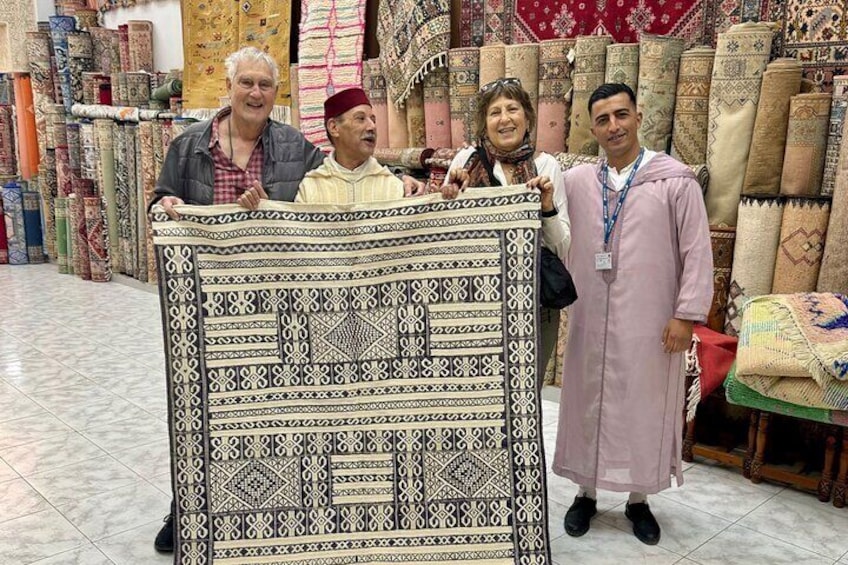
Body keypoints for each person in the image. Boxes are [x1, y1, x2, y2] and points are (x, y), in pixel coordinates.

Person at [151, 48, 423, 553]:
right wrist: (166, 206)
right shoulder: (188, 147)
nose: (256, 93)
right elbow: (161, 201)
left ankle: (269, 505)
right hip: (209, 298)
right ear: (228, 87)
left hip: (274, 301)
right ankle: (185, 505)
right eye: (247, 83)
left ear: (277, 96)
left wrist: (406, 184)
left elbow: (348, 176)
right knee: (200, 402)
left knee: (263, 407)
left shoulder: (294, 146)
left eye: (266, 86)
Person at [551, 83, 712, 545]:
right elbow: (552, 226)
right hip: (590, 317)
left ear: (639, 116)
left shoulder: (675, 181)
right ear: (593, 128)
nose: (613, 126)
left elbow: (697, 251)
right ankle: (586, 492)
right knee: (587, 402)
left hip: (651, 319)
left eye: (621, 115)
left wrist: (686, 314)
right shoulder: (579, 183)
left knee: (643, 405)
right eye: (602, 119)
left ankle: (639, 500)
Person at [441, 77, 571, 375]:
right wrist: (451, 198)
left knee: (527, 393)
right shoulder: (465, 162)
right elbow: (446, 240)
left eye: (512, 109)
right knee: (477, 396)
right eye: (494, 112)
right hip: (475, 305)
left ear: (527, 117)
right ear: (484, 123)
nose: (504, 119)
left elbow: (562, 246)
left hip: (534, 305)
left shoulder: (546, 166)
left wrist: (546, 207)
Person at [296, 87, 403, 203]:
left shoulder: (392, 186)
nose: (372, 126)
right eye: (360, 119)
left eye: (373, 120)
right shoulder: (312, 187)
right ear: (334, 127)